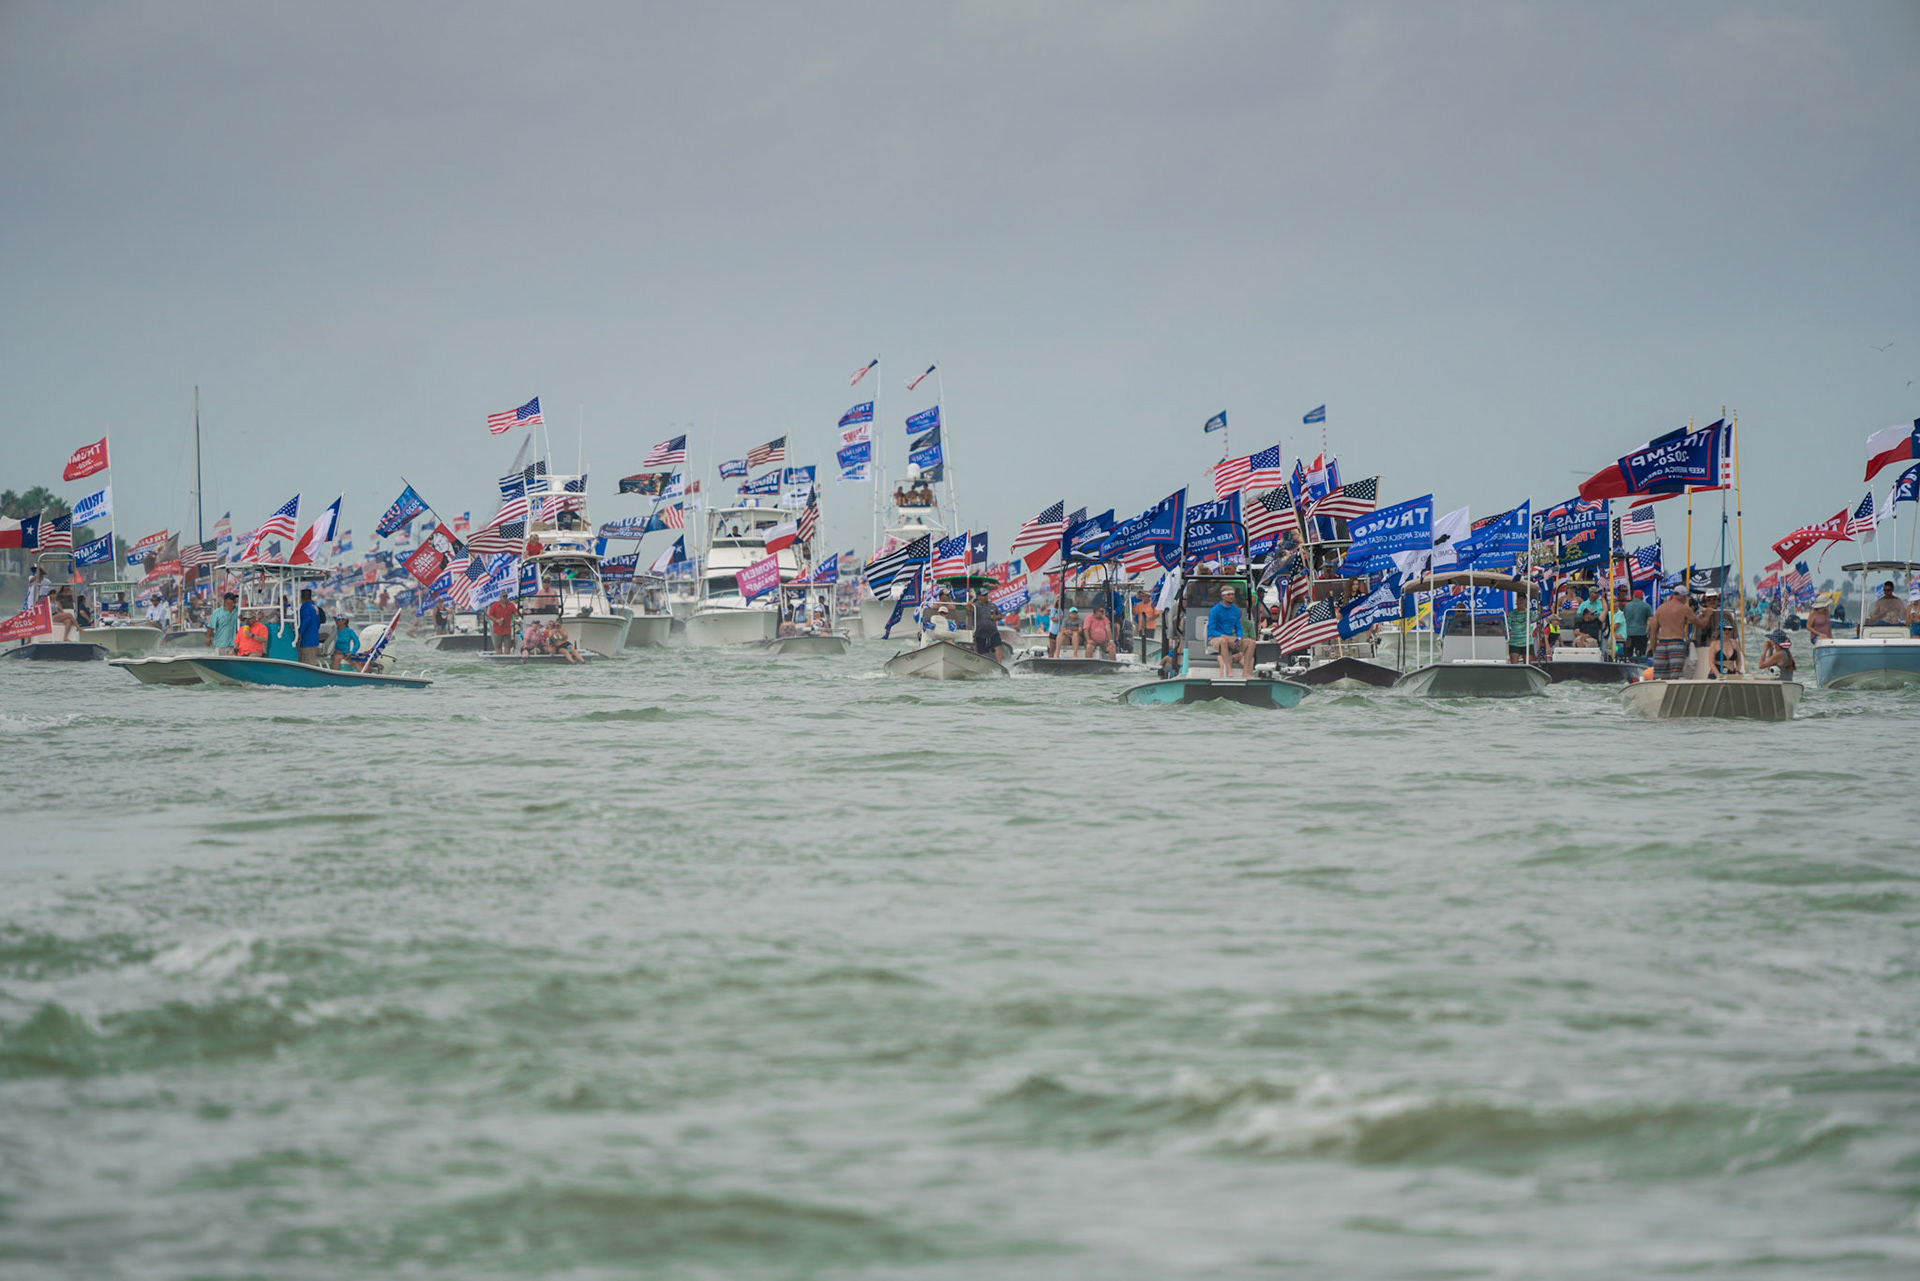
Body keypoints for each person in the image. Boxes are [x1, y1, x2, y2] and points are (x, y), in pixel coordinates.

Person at [1647, 586, 1700, 681]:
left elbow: (1653, 634)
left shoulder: (1660, 609)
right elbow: (1700, 624)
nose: (1686, 599)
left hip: (1662, 644)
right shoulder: (1684, 609)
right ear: (1683, 596)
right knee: (1675, 677)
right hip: (1676, 643)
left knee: (1659, 678)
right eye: (1686, 597)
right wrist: (1708, 615)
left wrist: (1654, 651)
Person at [1208, 585, 1252, 677]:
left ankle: (1246, 672)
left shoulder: (1236, 610)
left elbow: (1238, 628)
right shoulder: (1215, 610)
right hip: (1215, 638)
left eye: (1232, 594)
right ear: (1223, 596)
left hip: (1231, 637)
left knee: (1251, 643)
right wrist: (1227, 638)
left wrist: (1239, 638)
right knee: (1223, 641)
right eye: (1228, 594)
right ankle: (1229, 670)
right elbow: (1211, 631)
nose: (1231, 596)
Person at [1621, 589, 1653, 660]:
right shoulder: (1646, 606)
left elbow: (1624, 618)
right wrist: (1648, 631)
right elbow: (1650, 620)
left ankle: (1628, 663)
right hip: (1641, 633)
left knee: (1628, 654)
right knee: (1641, 654)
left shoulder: (1627, 606)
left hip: (1628, 633)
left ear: (1633, 596)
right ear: (1641, 597)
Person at [294, 588, 322, 665]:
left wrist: (300, 632)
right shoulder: (315, 607)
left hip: (307, 640)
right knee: (311, 661)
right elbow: (318, 622)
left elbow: (306, 619)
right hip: (314, 639)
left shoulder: (305, 607)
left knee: (306, 663)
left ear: (301, 597)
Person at [1505, 596, 1530, 664]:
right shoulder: (1511, 613)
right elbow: (1507, 625)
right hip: (1514, 642)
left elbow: (1536, 618)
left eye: (1523, 599)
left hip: (1527, 641)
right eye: (1519, 599)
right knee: (1514, 665)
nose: (1521, 601)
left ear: (1526, 601)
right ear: (1516, 601)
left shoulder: (1530, 613)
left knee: (1527, 665)